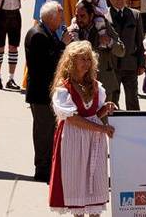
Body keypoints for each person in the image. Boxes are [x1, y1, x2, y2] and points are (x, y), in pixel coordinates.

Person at [48, 41, 116, 215]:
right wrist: (101, 129)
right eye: (82, 59)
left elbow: (92, 114)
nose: (87, 63)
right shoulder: (64, 88)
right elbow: (72, 118)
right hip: (73, 139)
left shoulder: (95, 85)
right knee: (76, 181)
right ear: (71, 61)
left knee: (96, 181)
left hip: (93, 139)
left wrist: (104, 109)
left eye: (88, 59)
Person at [24, 1, 70, 182]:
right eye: (60, 16)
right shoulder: (38, 35)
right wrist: (63, 45)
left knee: (50, 131)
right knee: (43, 132)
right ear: (51, 17)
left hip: (47, 92)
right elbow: (47, 64)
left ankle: (49, 167)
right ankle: (42, 170)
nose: (62, 19)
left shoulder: (47, 32)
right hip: (41, 94)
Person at [70, 1, 124, 108]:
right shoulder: (74, 30)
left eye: (82, 16)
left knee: (104, 115)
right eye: (77, 16)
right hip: (81, 84)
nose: (79, 19)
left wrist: (109, 42)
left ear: (91, 16)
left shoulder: (103, 26)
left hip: (103, 82)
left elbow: (121, 51)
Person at [106, 0, 146, 111]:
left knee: (132, 99)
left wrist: (141, 64)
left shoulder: (135, 15)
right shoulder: (104, 16)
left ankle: (134, 122)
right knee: (112, 100)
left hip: (130, 64)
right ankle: (113, 122)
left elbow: (140, 41)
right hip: (111, 65)